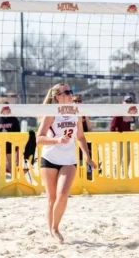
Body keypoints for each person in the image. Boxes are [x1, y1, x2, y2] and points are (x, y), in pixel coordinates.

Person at [36, 83, 97, 244]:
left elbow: (81, 137)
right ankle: (51, 230)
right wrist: (57, 140)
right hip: (49, 158)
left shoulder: (75, 113)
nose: (71, 94)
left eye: (71, 91)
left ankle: (55, 228)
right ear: (57, 96)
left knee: (63, 195)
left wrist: (88, 157)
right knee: (51, 198)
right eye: (67, 92)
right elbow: (39, 138)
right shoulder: (51, 113)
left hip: (69, 160)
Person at [0, 102, 21, 175]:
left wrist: (9, 134)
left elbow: (18, 132)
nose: (6, 110)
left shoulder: (14, 120)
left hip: (10, 145)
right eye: (4, 108)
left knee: (11, 165)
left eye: (8, 108)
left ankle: (14, 180)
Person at [73, 95, 93, 179]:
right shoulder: (69, 114)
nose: (78, 102)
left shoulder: (84, 114)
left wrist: (86, 118)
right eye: (75, 101)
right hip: (74, 142)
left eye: (79, 101)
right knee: (77, 162)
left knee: (87, 163)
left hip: (84, 140)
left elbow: (89, 129)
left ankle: (88, 177)